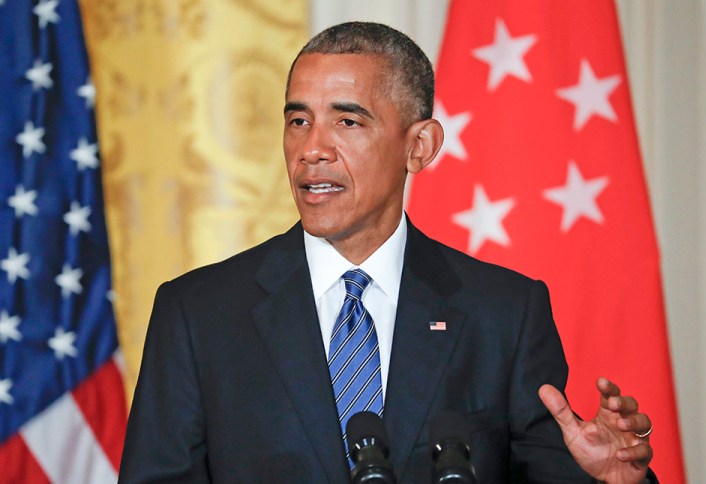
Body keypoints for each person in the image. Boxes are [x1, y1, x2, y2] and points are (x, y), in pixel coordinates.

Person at [120, 22, 656, 483]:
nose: (312, 149)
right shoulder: (199, 312)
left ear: (418, 146)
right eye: (298, 120)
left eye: (347, 121)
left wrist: (612, 479)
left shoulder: (504, 313)